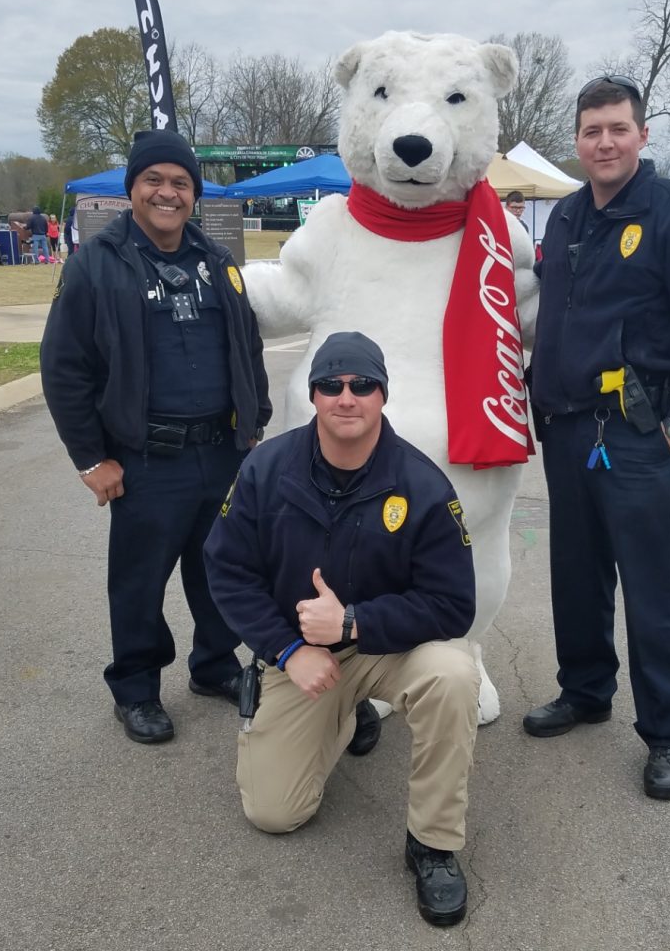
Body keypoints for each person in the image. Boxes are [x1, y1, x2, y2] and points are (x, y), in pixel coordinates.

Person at [523, 76, 670, 800]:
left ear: (642, 134)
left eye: (617, 128)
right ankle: (586, 690)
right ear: (577, 140)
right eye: (591, 131)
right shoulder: (562, 219)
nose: (603, 142)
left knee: (649, 587)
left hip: (635, 434)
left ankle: (668, 733)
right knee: (575, 573)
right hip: (567, 430)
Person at [204, 331, 480, 927]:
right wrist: (285, 648)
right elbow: (225, 568)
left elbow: (454, 605)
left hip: (386, 648)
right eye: (331, 385)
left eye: (362, 385)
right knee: (276, 813)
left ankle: (432, 844)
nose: (346, 397)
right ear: (313, 396)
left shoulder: (423, 485)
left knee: (455, 674)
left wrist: (355, 621)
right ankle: (344, 714)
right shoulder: (265, 468)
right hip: (301, 655)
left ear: (383, 395)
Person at [40, 129, 272, 745]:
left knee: (221, 568)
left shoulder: (219, 263)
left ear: (193, 194)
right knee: (140, 581)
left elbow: (246, 348)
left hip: (221, 452)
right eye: (154, 180)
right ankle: (137, 689)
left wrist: (255, 427)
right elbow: (64, 367)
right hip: (146, 460)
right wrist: (92, 459)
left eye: (180, 183)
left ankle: (214, 665)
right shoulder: (96, 265)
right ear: (132, 189)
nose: (167, 193)